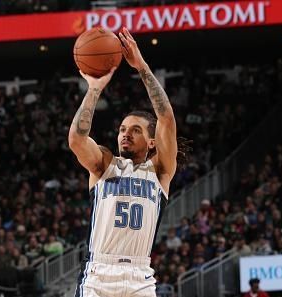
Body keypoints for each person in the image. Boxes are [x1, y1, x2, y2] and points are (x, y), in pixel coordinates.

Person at [68, 27, 192, 297]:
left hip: (140, 276)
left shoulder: (160, 171)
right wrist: (94, 89)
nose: (125, 134)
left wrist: (142, 67)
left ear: (151, 142)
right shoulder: (104, 164)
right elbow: (77, 139)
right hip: (99, 272)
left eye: (135, 130)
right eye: (123, 129)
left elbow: (167, 119)